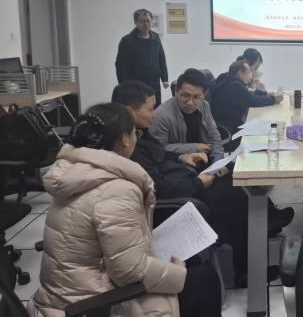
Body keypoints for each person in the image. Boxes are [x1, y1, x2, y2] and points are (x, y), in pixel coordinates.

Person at [28, 103, 221, 317]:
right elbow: (129, 272)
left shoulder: (73, 174)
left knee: (191, 265)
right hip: (96, 303)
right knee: (205, 280)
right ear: (126, 139)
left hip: (65, 293)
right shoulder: (115, 189)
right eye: (134, 133)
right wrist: (178, 274)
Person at [113, 80, 293, 287]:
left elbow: (160, 154)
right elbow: (158, 188)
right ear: (130, 111)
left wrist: (181, 157)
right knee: (233, 196)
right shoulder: (128, 146)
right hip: (176, 200)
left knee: (232, 180)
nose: (154, 114)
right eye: (150, 109)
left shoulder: (139, 132)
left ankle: (261, 228)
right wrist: (198, 183)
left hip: (183, 178)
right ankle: (246, 269)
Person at [151, 68, 224, 162]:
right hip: (177, 162)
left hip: (204, 158)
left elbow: (214, 136)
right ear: (176, 91)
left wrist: (217, 160)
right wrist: (194, 147)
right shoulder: (161, 115)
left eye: (196, 97)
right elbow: (158, 149)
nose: (190, 102)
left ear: (204, 95)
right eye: (185, 95)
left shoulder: (204, 105)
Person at [211, 60, 283, 150]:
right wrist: (273, 99)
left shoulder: (227, 80)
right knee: (262, 135)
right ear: (240, 73)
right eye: (248, 72)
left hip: (226, 126)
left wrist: (265, 93)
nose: (251, 75)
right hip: (229, 131)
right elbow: (254, 101)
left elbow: (249, 94)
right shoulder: (235, 86)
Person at [115, 8, 169, 106]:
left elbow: (161, 58)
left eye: (148, 21)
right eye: (142, 21)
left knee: (155, 108)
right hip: (136, 86)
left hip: (154, 84)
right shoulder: (127, 41)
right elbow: (121, 66)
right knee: (139, 109)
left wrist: (164, 78)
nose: (145, 24)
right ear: (136, 22)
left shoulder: (155, 38)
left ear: (151, 21)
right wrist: (124, 87)